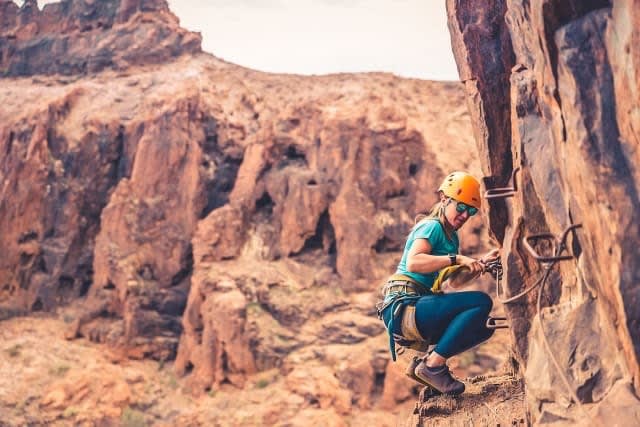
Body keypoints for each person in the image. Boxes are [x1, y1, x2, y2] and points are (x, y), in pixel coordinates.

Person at [377, 171, 500, 395]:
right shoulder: (432, 226)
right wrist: (457, 259)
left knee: (484, 324)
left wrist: (480, 264)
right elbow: (414, 263)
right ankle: (433, 367)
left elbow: (454, 282)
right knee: (481, 301)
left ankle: (428, 366)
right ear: (444, 199)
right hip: (404, 307)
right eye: (461, 207)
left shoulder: (451, 238)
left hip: (416, 310)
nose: (464, 215)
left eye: (471, 212)